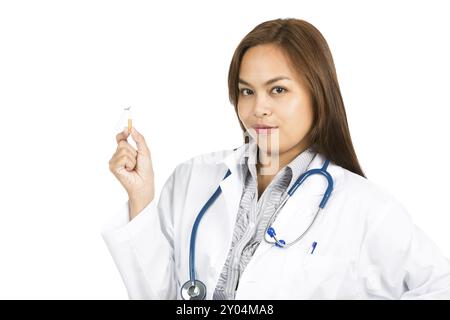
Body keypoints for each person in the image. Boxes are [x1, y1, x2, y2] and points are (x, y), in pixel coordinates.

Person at [102, 18, 450, 299]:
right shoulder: (193, 179)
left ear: (318, 93)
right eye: (246, 91)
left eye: (278, 90)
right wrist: (141, 197)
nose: (258, 109)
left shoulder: (366, 209)